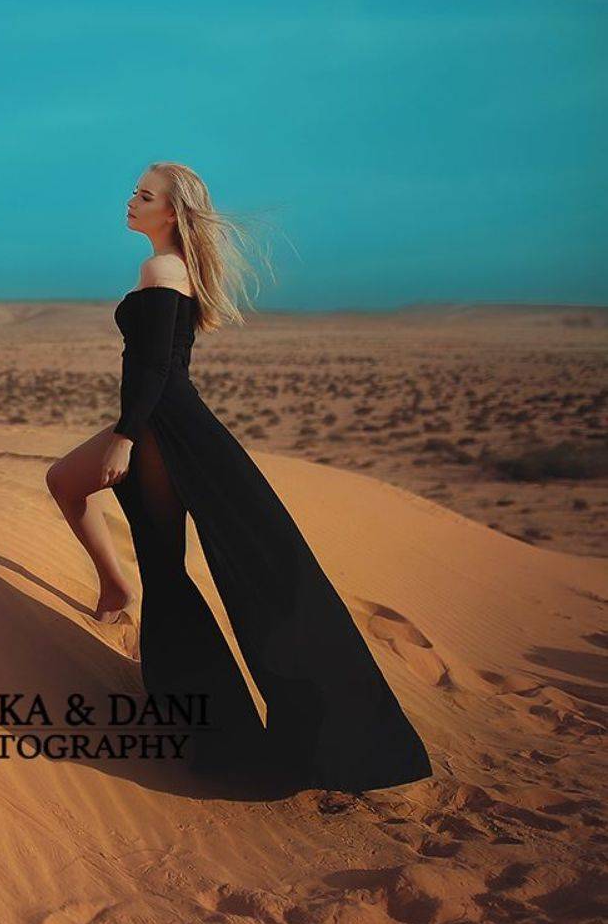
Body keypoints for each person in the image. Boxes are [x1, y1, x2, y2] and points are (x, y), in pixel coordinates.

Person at [45, 162, 432, 794]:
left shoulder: (160, 269)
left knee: (156, 559)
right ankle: (117, 590)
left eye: (144, 195)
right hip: (166, 420)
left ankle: (212, 732)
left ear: (171, 212)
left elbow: (151, 370)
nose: (131, 200)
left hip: (161, 427)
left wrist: (126, 436)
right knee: (80, 492)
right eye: (135, 191)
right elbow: (159, 368)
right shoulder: (177, 268)